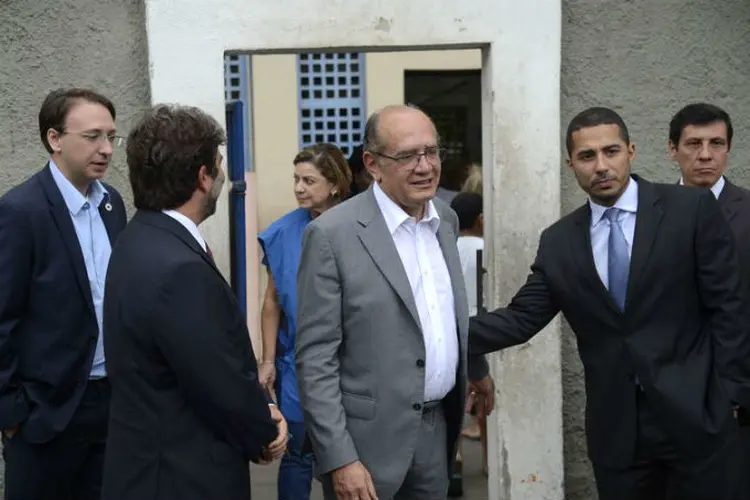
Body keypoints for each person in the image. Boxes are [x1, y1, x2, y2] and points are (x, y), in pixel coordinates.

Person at [468, 106, 750, 500]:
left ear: (631, 151)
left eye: (611, 151)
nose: (601, 166)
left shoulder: (690, 210)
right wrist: (433, 335)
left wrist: (733, 398)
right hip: (618, 434)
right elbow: (519, 319)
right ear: (571, 164)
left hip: (700, 420)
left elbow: (729, 308)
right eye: (587, 156)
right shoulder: (560, 241)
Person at [295, 104, 490, 500]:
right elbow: (316, 358)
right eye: (407, 156)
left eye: (431, 152)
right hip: (366, 447)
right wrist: (340, 458)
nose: (424, 166)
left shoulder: (446, 221)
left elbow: (445, 313)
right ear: (373, 164)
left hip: (438, 434)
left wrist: (475, 366)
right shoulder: (331, 234)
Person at [101, 104, 287, 500]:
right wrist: (265, 428)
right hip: (182, 478)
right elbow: (216, 381)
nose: (222, 175)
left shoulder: (138, 239)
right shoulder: (179, 269)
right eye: (218, 165)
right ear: (203, 177)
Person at [0, 88, 127, 500]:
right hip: (46, 416)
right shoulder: (21, 211)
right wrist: (12, 412)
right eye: (92, 137)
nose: (106, 149)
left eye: (111, 136)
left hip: (111, 407)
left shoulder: (113, 205)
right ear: (55, 139)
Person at [257, 143, 352, 500]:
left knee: (349, 452)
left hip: (352, 361)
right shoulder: (282, 233)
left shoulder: (358, 229)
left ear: (334, 185)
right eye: (296, 179)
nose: (299, 188)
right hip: (297, 362)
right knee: (296, 451)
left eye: (309, 181)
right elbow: (271, 302)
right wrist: (267, 361)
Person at [669, 102, 750, 499]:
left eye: (716, 144)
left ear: (728, 150)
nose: (705, 155)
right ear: (672, 150)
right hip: (669, 393)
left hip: (740, 393)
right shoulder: (651, 215)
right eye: (694, 143)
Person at [450, 192, 488, 473]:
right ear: (479, 219)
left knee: (456, 396)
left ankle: (456, 457)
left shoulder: (448, 248)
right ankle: (489, 461)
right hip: (483, 327)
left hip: (454, 328)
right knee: (484, 394)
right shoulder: (485, 247)